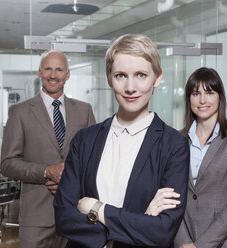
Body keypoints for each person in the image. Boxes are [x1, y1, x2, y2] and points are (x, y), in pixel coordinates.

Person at [54, 34, 190, 248]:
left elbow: (163, 231)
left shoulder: (173, 145)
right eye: (120, 75)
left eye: (141, 75)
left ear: (157, 78)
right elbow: (64, 217)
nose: (130, 87)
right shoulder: (84, 140)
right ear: (109, 78)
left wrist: (97, 208)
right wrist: (141, 221)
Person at [0, 50, 96, 248]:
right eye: (48, 69)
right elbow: (7, 164)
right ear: (39, 72)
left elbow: (93, 160)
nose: (53, 75)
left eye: (59, 69)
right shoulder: (20, 112)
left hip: (75, 212)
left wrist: (70, 181)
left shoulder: (84, 110)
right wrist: (46, 172)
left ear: (67, 74)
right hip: (36, 216)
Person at [174, 67, 227, 248]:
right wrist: (183, 242)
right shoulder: (176, 140)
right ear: (189, 99)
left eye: (209, 93)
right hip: (186, 240)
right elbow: (171, 198)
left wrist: (200, 245)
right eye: (196, 94)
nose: (202, 100)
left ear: (220, 97)